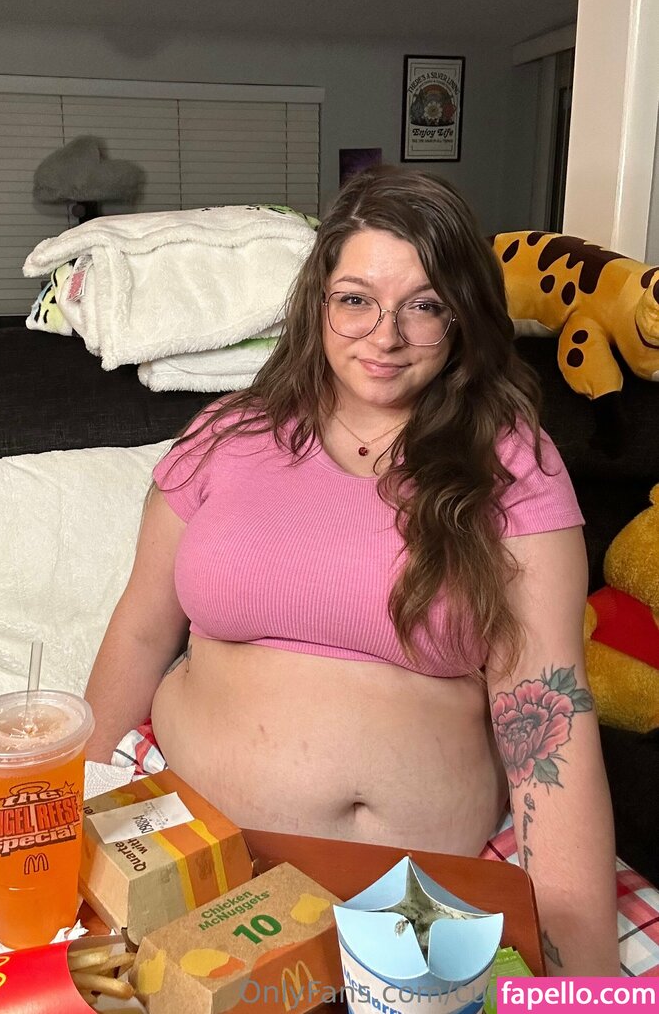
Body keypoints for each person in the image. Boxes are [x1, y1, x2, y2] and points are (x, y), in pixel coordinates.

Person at [85, 165, 619, 975]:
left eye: (425, 305)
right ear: (319, 303)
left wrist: (584, 972)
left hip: (429, 890)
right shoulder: (225, 436)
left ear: (463, 317)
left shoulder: (511, 463)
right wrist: (76, 815)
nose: (385, 335)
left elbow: (547, 709)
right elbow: (139, 631)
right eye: (356, 299)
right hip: (194, 851)